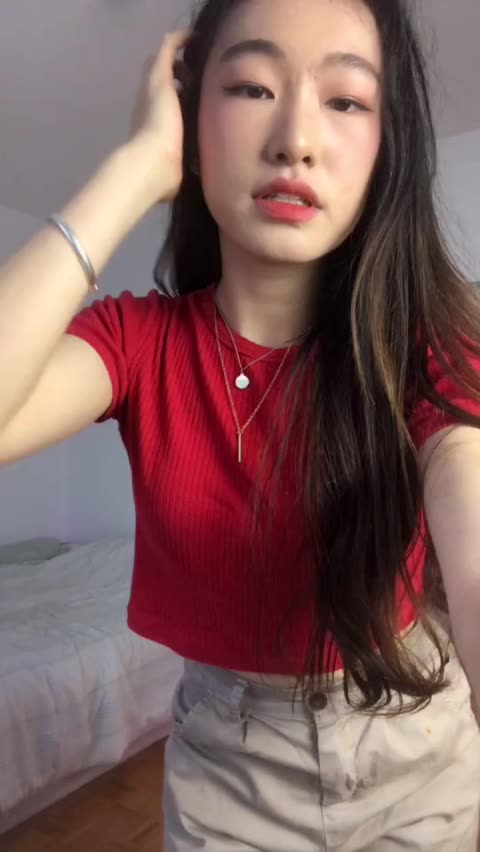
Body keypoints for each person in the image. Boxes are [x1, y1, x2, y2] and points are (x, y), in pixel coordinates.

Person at [2, 0, 480, 848]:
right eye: (253, 88)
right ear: (194, 126)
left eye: (346, 100)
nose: (295, 138)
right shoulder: (137, 343)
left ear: (386, 147)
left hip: (415, 741)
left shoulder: (426, 344)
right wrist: (137, 167)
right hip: (229, 767)